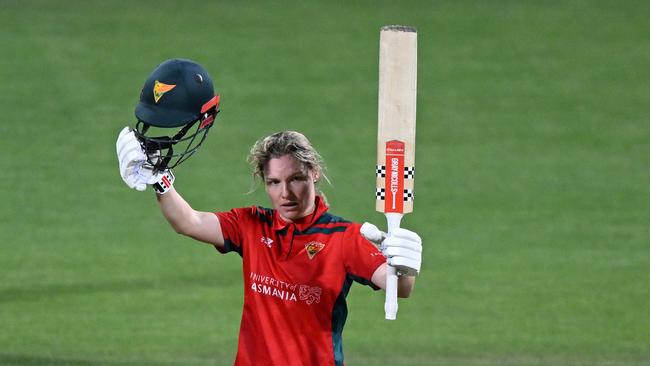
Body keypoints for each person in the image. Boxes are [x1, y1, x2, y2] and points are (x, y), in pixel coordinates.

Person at [116, 59, 423, 366]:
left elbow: (400, 288)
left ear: (313, 172)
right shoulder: (251, 225)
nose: (285, 194)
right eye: (273, 183)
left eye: (295, 180)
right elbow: (189, 222)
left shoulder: (345, 238)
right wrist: (160, 182)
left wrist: (404, 265)